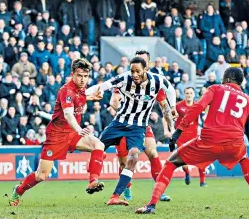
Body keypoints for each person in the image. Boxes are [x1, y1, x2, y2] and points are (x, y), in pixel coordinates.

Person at [136, 68, 249, 214]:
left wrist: (178, 131)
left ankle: (151, 205)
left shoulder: (215, 88)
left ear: (228, 79)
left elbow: (198, 107)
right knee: (244, 159)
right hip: (234, 144)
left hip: (209, 140)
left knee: (171, 162)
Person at [9, 58, 106, 206]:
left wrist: (91, 97)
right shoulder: (66, 91)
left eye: (86, 76)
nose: (83, 79)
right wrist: (79, 129)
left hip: (73, 134)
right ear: (72, 74)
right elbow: (68, 114)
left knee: (98, 145)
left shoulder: (81, 90)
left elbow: (80, 97)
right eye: (79, 75)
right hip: (57, 136)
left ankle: (93, 181)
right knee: (41, 175)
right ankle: (19, 190)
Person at [86, 56, 176, 206]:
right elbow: (102, 86)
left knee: (134, 156)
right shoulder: (124, 78)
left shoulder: (157, 81)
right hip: (118, 124)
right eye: (132, 71)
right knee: (98, 146)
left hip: (138, 127)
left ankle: (115, 195)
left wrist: (172, 109)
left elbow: (170, 90)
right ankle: (93, 180)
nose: (134, 75)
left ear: (146, 69)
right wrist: (84, 96)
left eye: (137, 71)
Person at [108, 50, 174, 202]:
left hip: (143, 125)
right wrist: (126, 114)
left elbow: (164, 104)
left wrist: (170, 115)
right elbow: (113, 101)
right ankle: (126, 188)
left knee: (152, 152)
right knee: (124, 161)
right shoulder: (126, 81)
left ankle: (160, 190)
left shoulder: (154, 83)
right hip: (124, 125)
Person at [171, 87, 207, 187]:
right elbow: (170, 116)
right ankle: (187, 173)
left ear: (194, 94)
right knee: (184, 160)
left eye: (191, 93)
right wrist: (170, 127)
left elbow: (204, 116)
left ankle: (202, 181)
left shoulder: (197, 106)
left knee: (201, 158)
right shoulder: (178, 106)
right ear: (184, 94)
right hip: (181, 137)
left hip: (194, 137)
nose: (189, 95)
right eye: (187, 93)